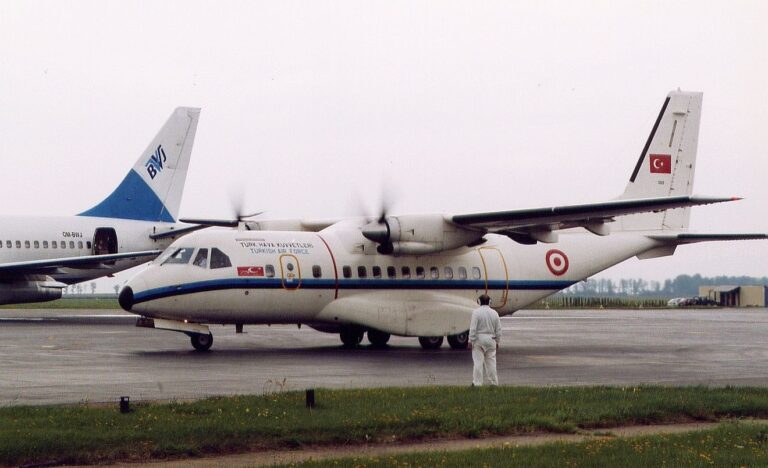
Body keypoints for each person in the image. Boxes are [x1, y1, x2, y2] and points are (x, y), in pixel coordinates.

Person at [469, 294, 502, 386]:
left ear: (479, 302)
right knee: (491, 363)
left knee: (478, 363)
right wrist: (497, 341)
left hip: (479, 339)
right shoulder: (495, 313)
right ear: (490, 302)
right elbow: (499, 330)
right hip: (491, 339)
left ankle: (477, 383)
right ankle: (494, 383)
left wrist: (470, 341)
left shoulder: (476, 312)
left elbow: (473, 328)